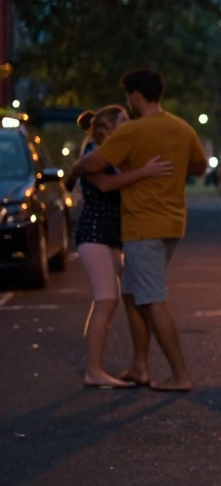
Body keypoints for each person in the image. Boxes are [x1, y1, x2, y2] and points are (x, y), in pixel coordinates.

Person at [69, 68, 207, 392]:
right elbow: (199, 166)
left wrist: (73, 170)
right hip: (173, 222)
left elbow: (92, 165)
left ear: (137, 96)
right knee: (132, 296)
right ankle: (140, 366)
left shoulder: (133, 131)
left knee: (153, 299)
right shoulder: (181, 128)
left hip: (143, 226)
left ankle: (179, 374)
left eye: (128, 96)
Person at [71, 106, 173, 388]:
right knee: (106, 300)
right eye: (124, 122)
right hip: (94, 234)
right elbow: (105, 185)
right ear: (106, 129)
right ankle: (93, 370)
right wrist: (145, 171)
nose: (130, 125)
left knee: (113, 299)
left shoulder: (112, 153)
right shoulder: (94, 153)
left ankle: (124, 367)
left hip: (111, 237)